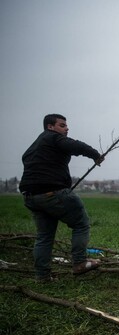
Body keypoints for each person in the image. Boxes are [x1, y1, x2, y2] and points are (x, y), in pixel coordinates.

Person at [19, 114, 105, 282]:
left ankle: (42, 276)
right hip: (53, 192)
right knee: (80, 224)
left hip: (31, 197)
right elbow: (75, 145)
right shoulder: (53, 138)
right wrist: (95, 155)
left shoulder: (32, 148)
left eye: (66, 126)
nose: (66, 128)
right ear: (50, 127)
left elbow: (30, 162)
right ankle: (80, 262)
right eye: (62, 125)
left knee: (44, 236)